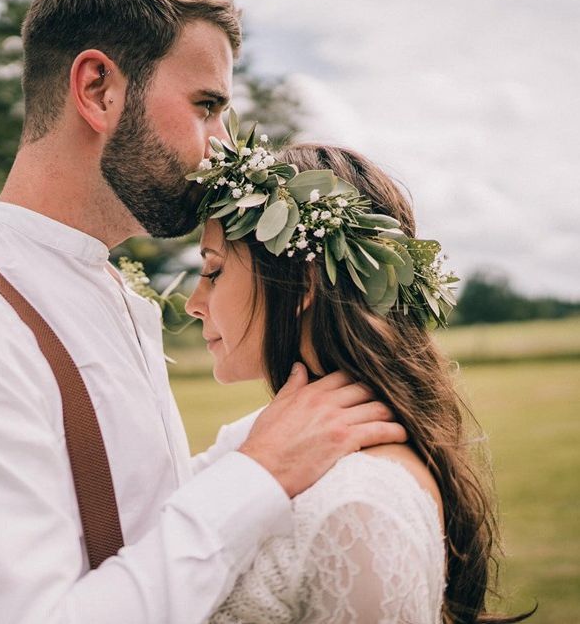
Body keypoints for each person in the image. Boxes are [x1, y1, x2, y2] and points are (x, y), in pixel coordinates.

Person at [0, 0, 406, 623]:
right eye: (206, 106)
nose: (221, 148)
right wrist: (258, 476)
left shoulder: (113, 294)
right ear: (99, 88)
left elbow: (130, 528)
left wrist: (282, 433)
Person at [185, 141, 531, 623]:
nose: (192, 302)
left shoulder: (359, 509)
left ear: (304, 281)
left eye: (214, 271)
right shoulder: (256, 442)